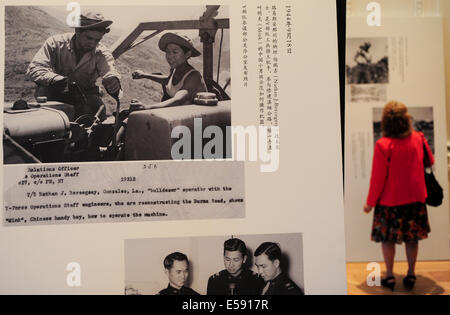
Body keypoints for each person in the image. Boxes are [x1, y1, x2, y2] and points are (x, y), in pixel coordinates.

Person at [364, 101, 434, 291]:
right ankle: (411, 274)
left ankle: (390, 275)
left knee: (388, 239)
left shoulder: (383, 144)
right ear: (406, 119)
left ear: (386, 122)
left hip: (389, 201)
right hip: (415, 199)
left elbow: (377, 178)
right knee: (412, 239)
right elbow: (431, 160)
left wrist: (370, 203)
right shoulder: (419, 138)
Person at [26, 12, 121, 120]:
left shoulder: (101, 53)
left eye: (97, 40)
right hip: (55, 92)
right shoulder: (56, 43)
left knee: (99, 119)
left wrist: (113, 80)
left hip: (86, 96)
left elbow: (109, 70)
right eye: (89, 38)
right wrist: (60, 81)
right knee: (44, 109)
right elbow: (35, 68)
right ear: (78, 31)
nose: (93, 44)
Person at [131, 32, 207, 108]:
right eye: (168, 52)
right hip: (182, 115)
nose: (170, 56)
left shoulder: (194, 76)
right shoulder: (175, 70)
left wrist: (146, 107)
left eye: (175, 52)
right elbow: (168, 80)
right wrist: (144, 75)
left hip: (198, 118)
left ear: (187, 54)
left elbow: (178, 100)